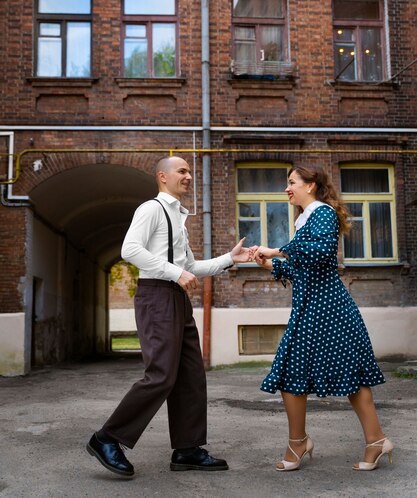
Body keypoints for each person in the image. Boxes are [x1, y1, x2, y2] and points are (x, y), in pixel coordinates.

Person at [87, 155, 252, 477]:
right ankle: (106, 438)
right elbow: (129, 249)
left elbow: (190, 268)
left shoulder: (178, 217)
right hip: (157, 296)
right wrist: (173, 272)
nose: (188, 176)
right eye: (182, 171)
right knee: (161, 374)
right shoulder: (152, 209)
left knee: (190, 374)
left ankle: (188, 448)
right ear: (163, 177)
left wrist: (229, 259)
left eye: (190, 171)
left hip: (175, 297)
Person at [251, 166, 393, 472]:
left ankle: (376, 441)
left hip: (331, 310)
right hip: (310, 309)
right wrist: (268, 264)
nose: (286, 188)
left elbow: (321, 251)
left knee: (351, 378)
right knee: (292, 375)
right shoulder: (305, 220)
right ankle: (299, 441)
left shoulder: (322, 213)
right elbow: (303, 268)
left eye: (291, 182)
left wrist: (275, 250)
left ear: (311, 186)